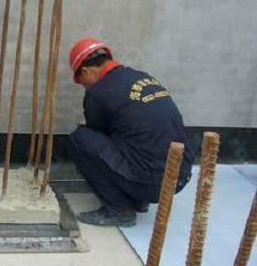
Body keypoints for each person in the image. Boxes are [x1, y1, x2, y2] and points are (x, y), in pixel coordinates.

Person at [67, 38, 195, 227]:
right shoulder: (142, 77)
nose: (84, 86)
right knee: (133, 137)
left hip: (152, 184)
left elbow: (99, 136)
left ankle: (120, 211)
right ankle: (138, 200)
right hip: (180, 176)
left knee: (80, 140)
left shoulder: (99, 92)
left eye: (82, 81)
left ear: (86, 71)